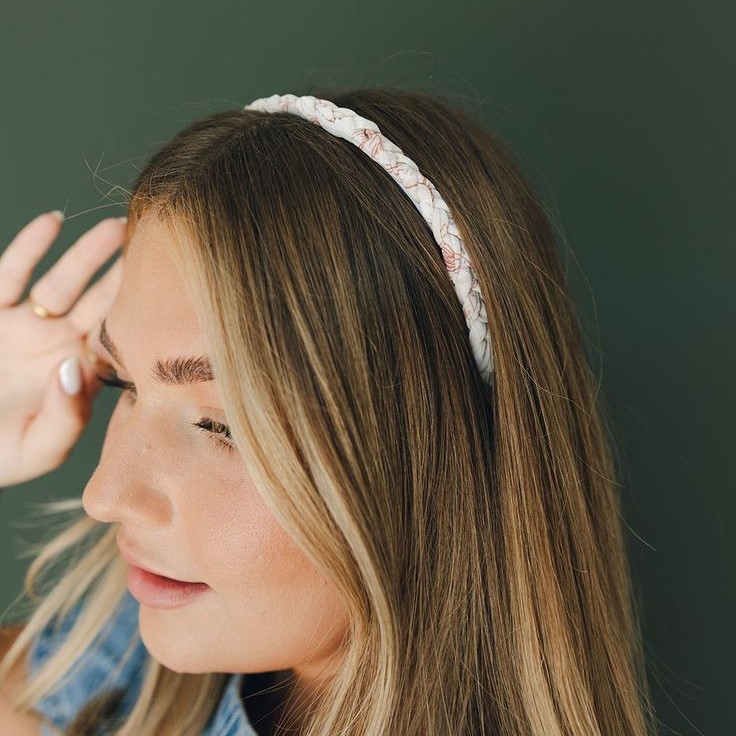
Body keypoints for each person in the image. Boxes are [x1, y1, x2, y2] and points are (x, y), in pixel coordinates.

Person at [0, 86, 658, 735]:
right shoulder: (139, 659)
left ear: (432, 453)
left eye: (220, 424)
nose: (105, 495)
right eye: (123, 383)